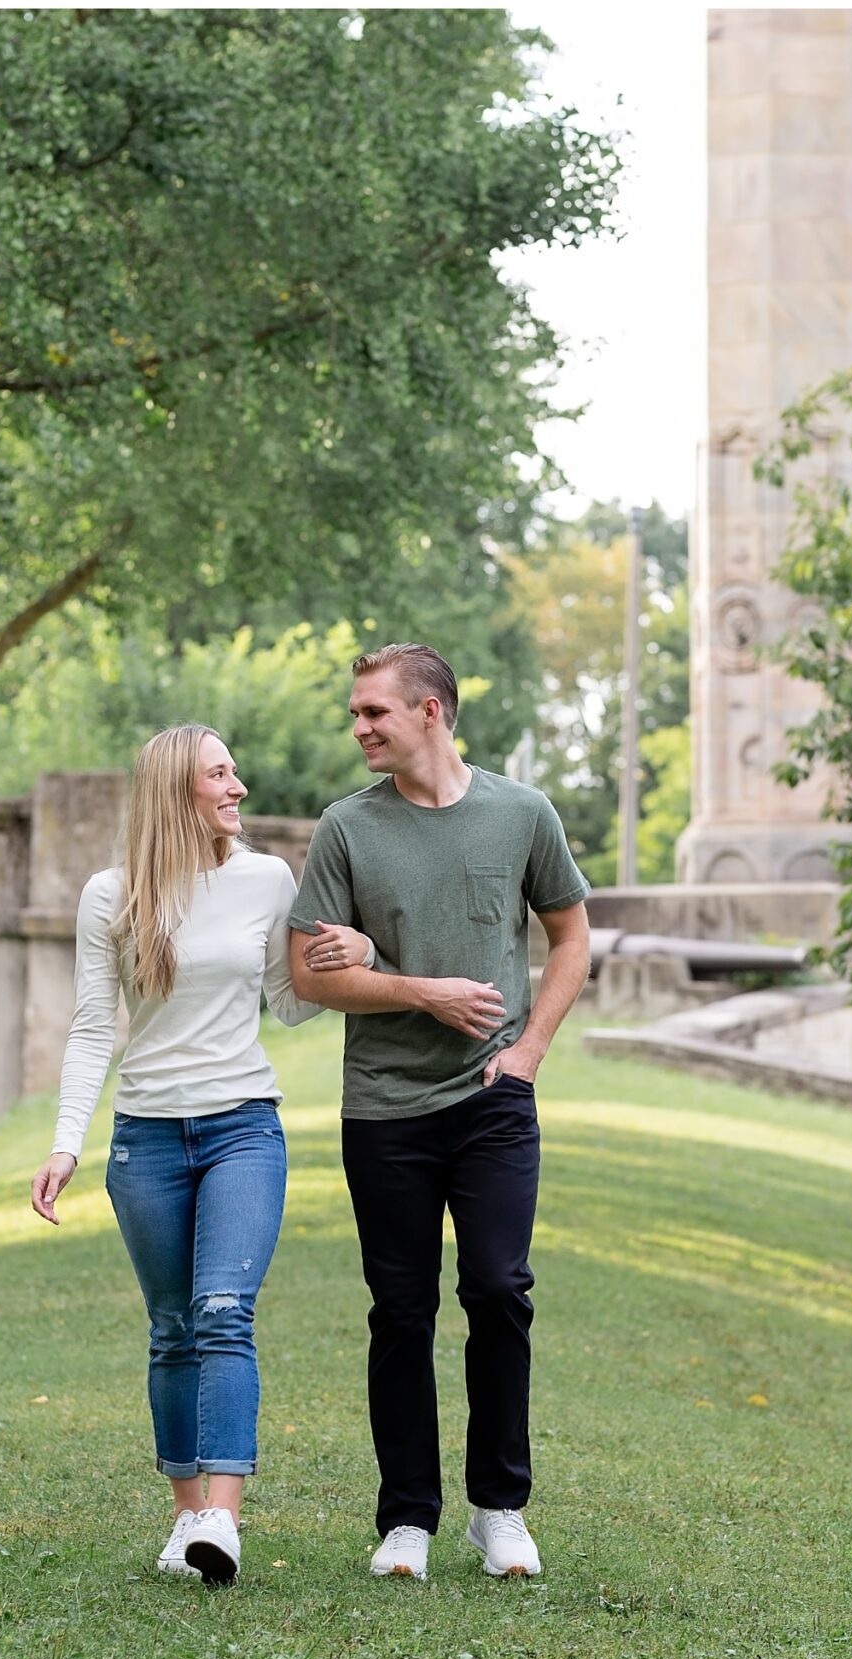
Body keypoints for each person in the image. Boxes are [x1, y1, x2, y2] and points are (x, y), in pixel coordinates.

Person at [31, 723, 375, 1588]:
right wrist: (67, 1142)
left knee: (224, 1309)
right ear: (177, 790)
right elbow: (91, 1027)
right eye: (220, 774)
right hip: (145, 1137)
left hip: (241, 1128)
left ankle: (222, 1513)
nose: (240, 788)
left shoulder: (266, 879)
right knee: (173, 1326)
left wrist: (354, 959)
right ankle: (187, 1517)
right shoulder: (110, 896)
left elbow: (288, 1002)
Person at [286, 642, 592, 1581]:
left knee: (500, 1290)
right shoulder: (346, 828)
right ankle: (407, 1518)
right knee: (401, 1310)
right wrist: (421, 992)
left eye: (373, 711)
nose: (359, 727)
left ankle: (499, 1508)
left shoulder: (522, 813)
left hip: (494, 1101)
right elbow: (307, 976)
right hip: (384, 1110)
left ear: (430, 711)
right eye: (354, 713)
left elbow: (571, 934)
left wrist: (529, 1051)